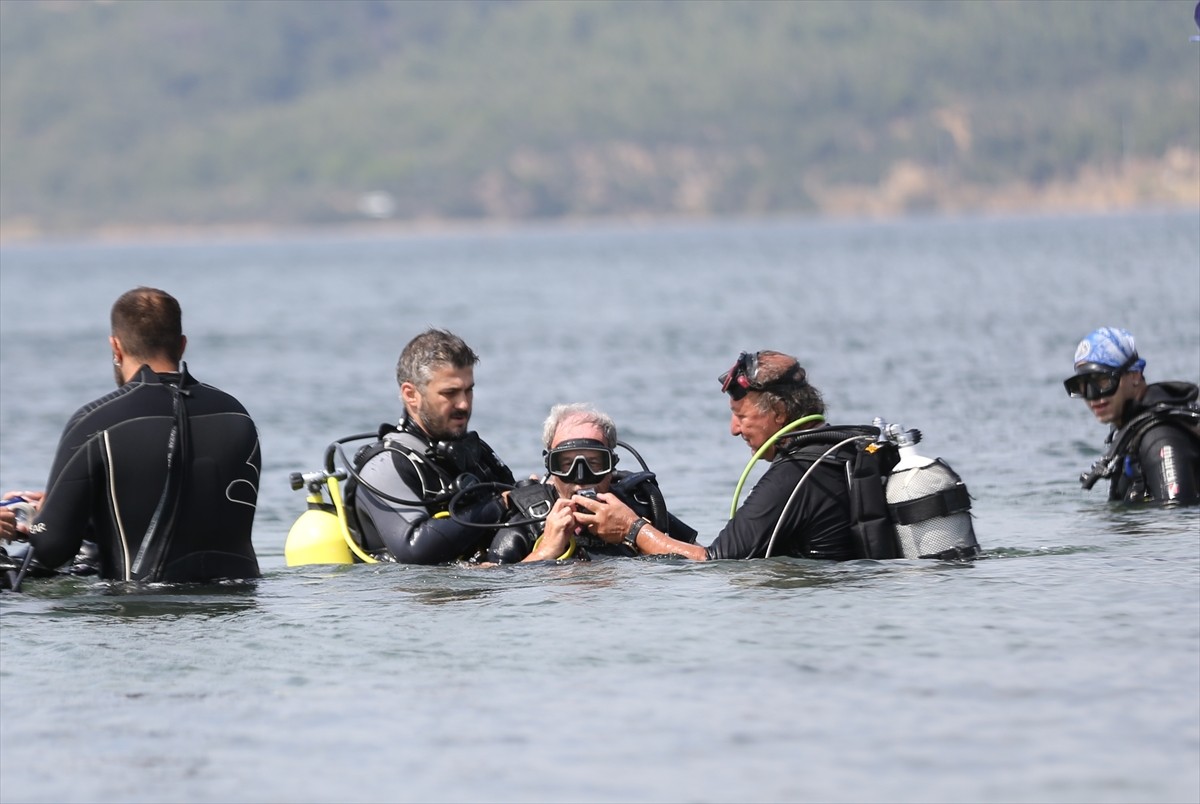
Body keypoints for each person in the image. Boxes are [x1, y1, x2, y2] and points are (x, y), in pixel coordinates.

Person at [22, 287, 261, 582]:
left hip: (140, 603)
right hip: (238, 601)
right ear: (182, 345)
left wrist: (43, 516)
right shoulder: (237, 415)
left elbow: (52, 549)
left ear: (116, 347)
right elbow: (193, 516)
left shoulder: (96, 421)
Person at [574, 350, 868, 561]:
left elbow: (714, 562)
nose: (734, 429)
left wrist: (632, 528)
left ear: (778, 412)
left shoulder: (796, 473)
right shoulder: (840, 452)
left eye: (741, 415)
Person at [343, 328, 566, 564]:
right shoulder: (386, 465)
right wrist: (499, 504)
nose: (463, 404)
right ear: (411, 395)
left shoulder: (475, 453)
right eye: (450, 393)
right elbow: (415, 550)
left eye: (468, 391)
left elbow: (513, 503)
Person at [488, 403, 697, 562]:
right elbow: (490, 581)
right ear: (550, 467)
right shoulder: (527, 524)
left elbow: (706, 560)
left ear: (612, 465)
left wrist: (634, 530)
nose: (580, 477)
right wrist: (545, 550)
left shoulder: (639, 507)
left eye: (595, 463)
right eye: (567, 464)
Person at [1065, 327, 1200, 505]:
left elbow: (1177, 513)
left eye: (1103, 381)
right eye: (1083, 385)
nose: (1093, 397)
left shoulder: (1160, 438)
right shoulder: (1131, 433)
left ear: (1135, 375)